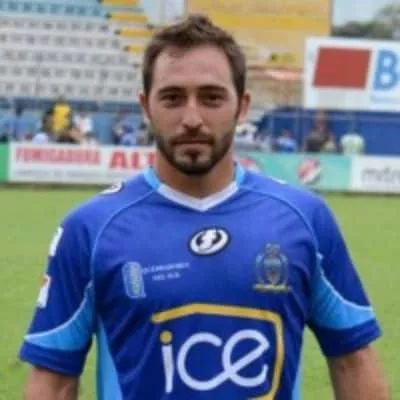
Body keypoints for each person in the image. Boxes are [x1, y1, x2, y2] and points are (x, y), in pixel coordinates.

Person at [19, 15, 389, 400]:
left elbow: (353, 361)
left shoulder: (306, 219)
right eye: (172, 98)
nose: (192, 119)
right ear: (146, 106)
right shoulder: (90, 229)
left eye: (212, 98)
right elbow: (53, 382)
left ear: (242, 106)